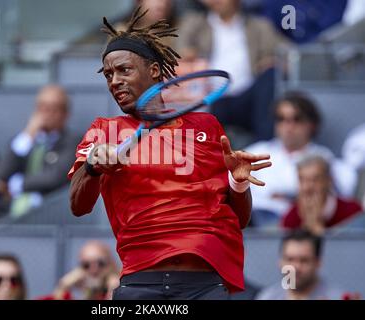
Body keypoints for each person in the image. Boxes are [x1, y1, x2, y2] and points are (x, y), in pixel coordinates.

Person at [68, 7, 272, 300]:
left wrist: (238, 183)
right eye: (109, 75)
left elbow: (238, 218)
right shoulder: (104, 131)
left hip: (205, 284)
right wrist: (92, 166)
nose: (114, 81)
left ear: (154, 71)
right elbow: (78, 205)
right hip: (140, 283)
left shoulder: (206, 126)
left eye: (124, 70)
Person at [176, 0, 287, 142]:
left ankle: (265, 147)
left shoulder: (258, 26)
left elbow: (287, 53)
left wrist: (272, 61)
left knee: (270, 75)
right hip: (210, 98)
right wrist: (187, 54)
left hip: (247, 96)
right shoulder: (195, 23)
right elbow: (178, 49)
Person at [245, 92, 357, 227]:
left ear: (312, 124)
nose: (288, 126)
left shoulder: (322, 157)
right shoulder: (255, 152)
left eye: (296, 119)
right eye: (281, 119)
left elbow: (338, 198)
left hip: (299, 225)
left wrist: (287, 198)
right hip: (255, 222)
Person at [0, 84, 78, 217]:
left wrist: (17, 184)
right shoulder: (22, 140)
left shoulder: (73, 141)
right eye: (42, 107)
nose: (47, 113)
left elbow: (56, 176)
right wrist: (28, 135)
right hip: (10, 212)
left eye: (53, 108)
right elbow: (1, 174)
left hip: (50, 212)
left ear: (65, 114)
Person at [282, 155, 362, 235]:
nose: (307, 188)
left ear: (329, 180)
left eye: (315, 180)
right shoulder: (291, 217)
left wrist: (317, 226)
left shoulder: (353, 211)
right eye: (302, 180)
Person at [256, 230, 345, 300]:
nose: (296, 267)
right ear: (280, 262)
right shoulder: (268, 297)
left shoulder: (337, 297)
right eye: (290, 259)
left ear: (318, 262)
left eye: (304, 260)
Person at [54, 240, 120, 300]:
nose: (94, 270)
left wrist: (114, 290)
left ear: (111, 265)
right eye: (86, 265)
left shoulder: (122, 290)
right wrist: (63, 287)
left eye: (100, 264)